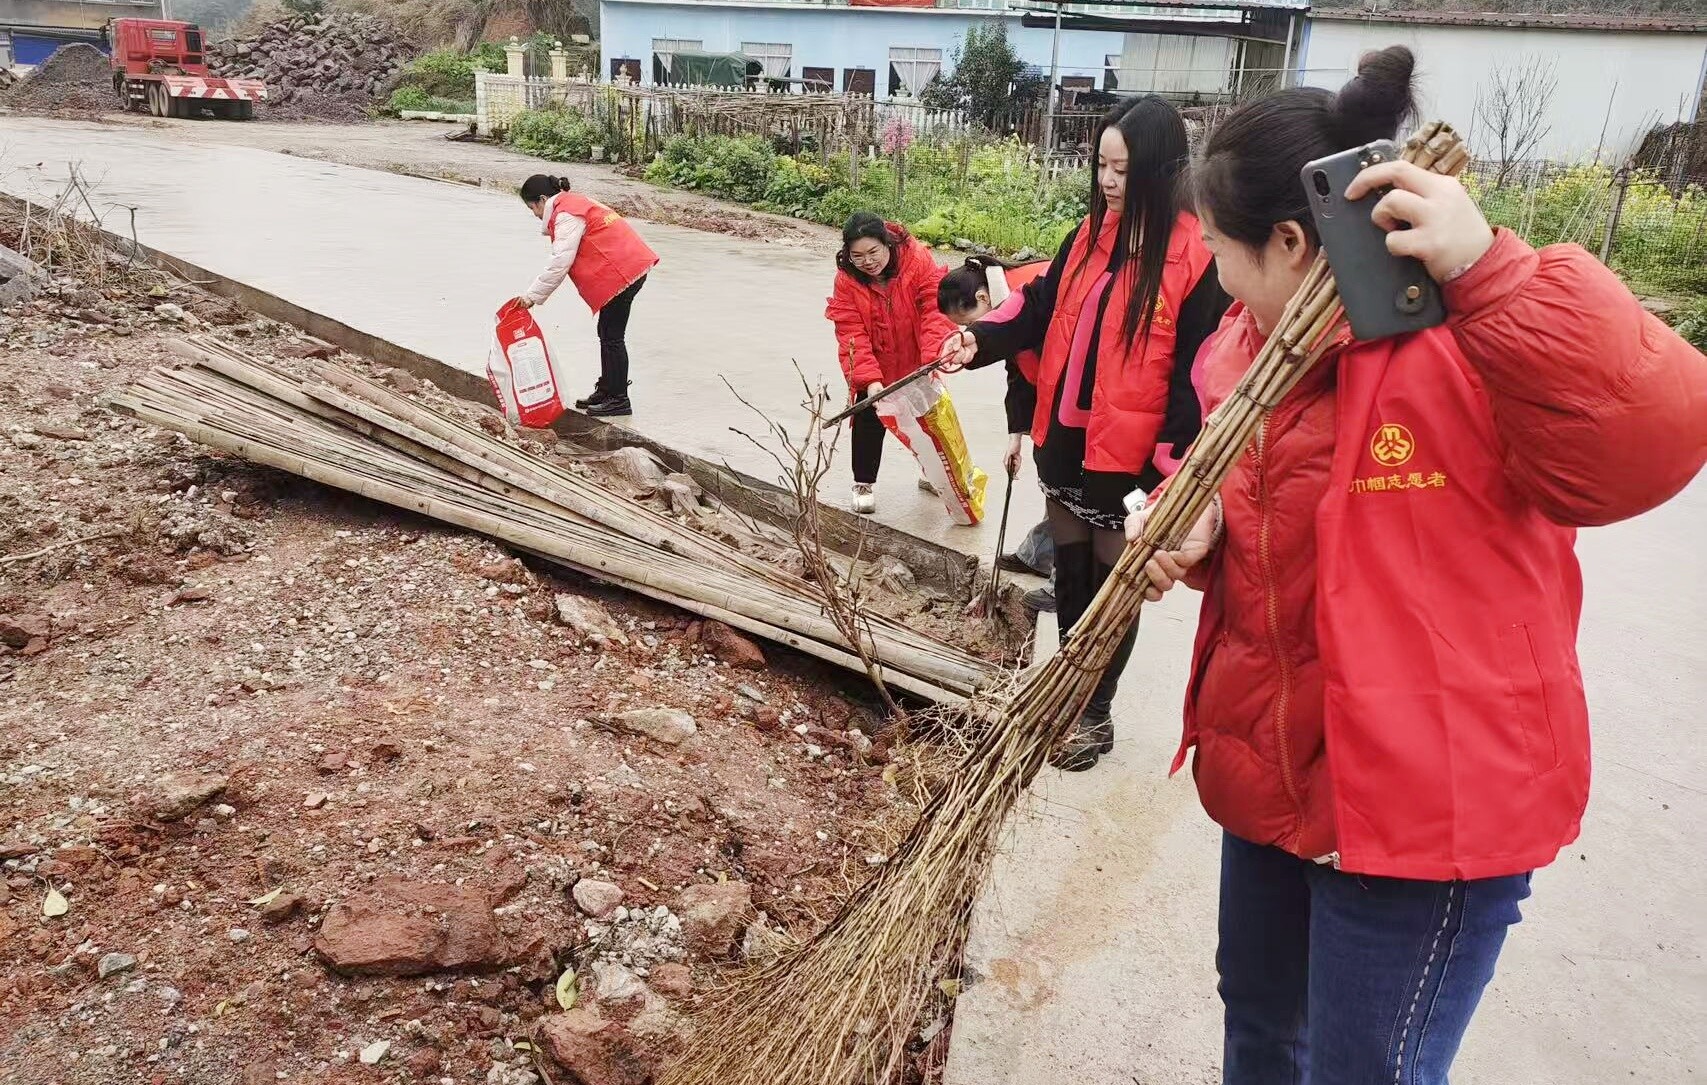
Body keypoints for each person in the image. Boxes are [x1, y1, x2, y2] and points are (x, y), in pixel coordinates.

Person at [1127, 46, 1707, 1084]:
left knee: (1368, 1069)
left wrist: (1497, 274)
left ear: (1290, 243)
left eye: (1215, 246)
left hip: (1424, 808)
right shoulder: (1247, 356)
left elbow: (1653, 438)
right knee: (1259, 1023)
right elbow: (1285, 520)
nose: (1211, 271)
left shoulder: (1475, 345)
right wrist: (1206, 525)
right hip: (1274, 772)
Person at [940, 96, 1231, 770]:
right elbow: (1037, 306)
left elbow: (1196, 374)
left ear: (1159, 170)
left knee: (1114, 586)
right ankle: (1068, 688)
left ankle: (1093, 712)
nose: (1107, 180)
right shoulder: (1087, 236)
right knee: (1070, 573)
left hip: (1131, 461)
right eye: (1101, 165)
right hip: (1066, 441)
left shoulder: (1196, 256)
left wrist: (1168, 471)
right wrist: (980, 339)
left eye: (1122, 170)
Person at [937, 255, 1057, 613]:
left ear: (983, 298)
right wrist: (1015, 435)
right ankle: (1039, 554)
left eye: (971, 323)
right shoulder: (1008, 307)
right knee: (1057, 481)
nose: (974, 332)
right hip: (1054, 397)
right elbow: (1019, 370)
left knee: (1070, 489)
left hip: (1082, 401)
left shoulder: (1033, 293)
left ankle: (1065, 582)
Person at [825, 212, 960, 514]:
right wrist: (870, 380)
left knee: (928, 422)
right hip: (876, 362)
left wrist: (932, 358)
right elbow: (851, 331)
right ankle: (863, 483)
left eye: (873, 252)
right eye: (858, 256)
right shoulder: (846, 279)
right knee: (869, 420)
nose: (868, 261)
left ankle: (931, 474)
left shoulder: (916, 259)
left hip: (916, 358)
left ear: (887, 243)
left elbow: (934, 308)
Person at [515, 175, 659, 418]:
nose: (535, 214)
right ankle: (607, 390)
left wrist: (532, 296)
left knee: (612, 336)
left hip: (624, 272)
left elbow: (560, 261)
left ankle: (618, 399)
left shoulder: (566, 215)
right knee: (607, 332)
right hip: (629, 266)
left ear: (542, 199)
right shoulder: (573, 203)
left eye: (533, 208)